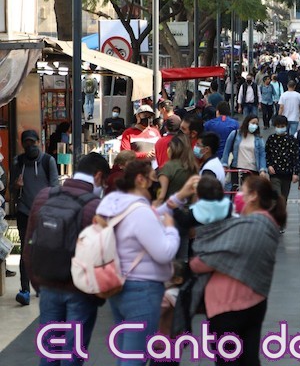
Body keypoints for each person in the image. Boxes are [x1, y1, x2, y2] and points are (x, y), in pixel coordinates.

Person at [95, 160, 187, 366]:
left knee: (126, 353)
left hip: (119, 284)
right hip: (142, 290)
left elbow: (152, 215)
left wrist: (177, 198)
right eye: (154, 178)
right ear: (140, 180)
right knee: (135, 356)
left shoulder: (115, 204)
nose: (157, 184)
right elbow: (164, 253)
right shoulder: (140, 212)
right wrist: (170, 229)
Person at [23, 153, 110, 364]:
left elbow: (29, 248)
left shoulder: (44, 196)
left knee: (49, 354)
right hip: (81, 292)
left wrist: (38, 284)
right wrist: (97, 296)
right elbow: (102, 257)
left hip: (48, 287)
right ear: (98, 176)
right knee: (72, 356)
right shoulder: (96, 207)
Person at [189, 176, 286, 366]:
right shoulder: (262, 223)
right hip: (253, 301)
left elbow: (208, 259)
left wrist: (193, 261)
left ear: (253, 196)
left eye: (242, 191)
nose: (238, 195)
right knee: (249, 359)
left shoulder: (251, 226)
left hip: (230, 306)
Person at [10, 130, 59, 305]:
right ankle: (24, 289)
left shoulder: (48, 161)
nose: (30, 146)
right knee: (26, 251)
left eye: (33, 142)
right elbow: (11, 190)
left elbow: (55, 187)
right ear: (22, 144)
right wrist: (16, 186)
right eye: (26, 142)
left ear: (39, 142)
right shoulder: (18, 162)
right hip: (24, 213)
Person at [266, 115, 300, 209]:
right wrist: (269, 165)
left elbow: (296, 156)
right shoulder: (271, 139)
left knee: (284, 199)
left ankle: (281, 215)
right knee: (276, 198)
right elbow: (267, 153)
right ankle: (275, 215)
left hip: (287, 174)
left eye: (282, 126)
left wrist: (296, 173)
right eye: (278, 126)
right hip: (274, 173)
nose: (280, 128)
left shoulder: (292, 140)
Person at [155, 134, 198, 207]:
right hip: (186, 208)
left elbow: (161, 196)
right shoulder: (193, 167)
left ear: (173, 148)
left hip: (169, 208)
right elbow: (195, 196)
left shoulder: (168, 167)